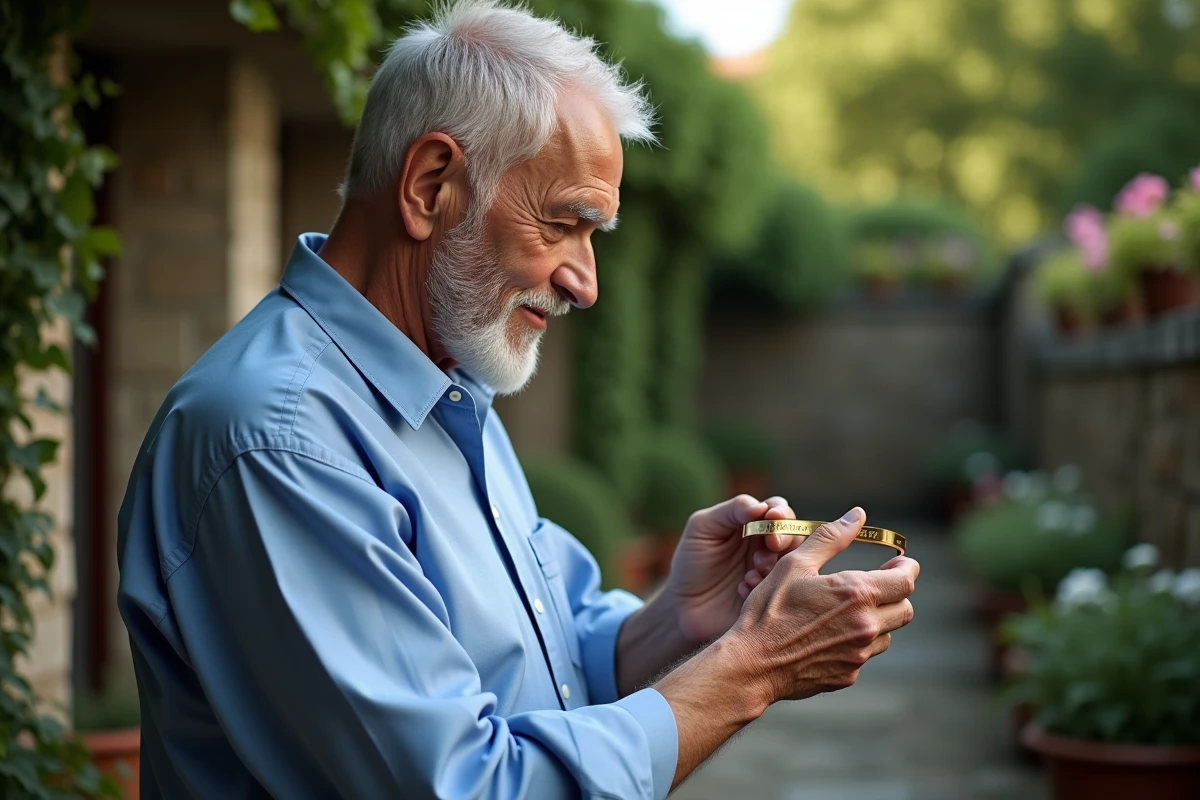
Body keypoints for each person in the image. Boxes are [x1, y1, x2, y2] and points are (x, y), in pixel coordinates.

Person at [115, 1, 920, 797]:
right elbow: (467, 786)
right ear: (432, 186)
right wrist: (754, 669)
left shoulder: (446, 386)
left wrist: (681, 619)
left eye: (593, 238)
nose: (586, 282)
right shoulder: (280, 442)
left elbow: (551, 665)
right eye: (565, 224)